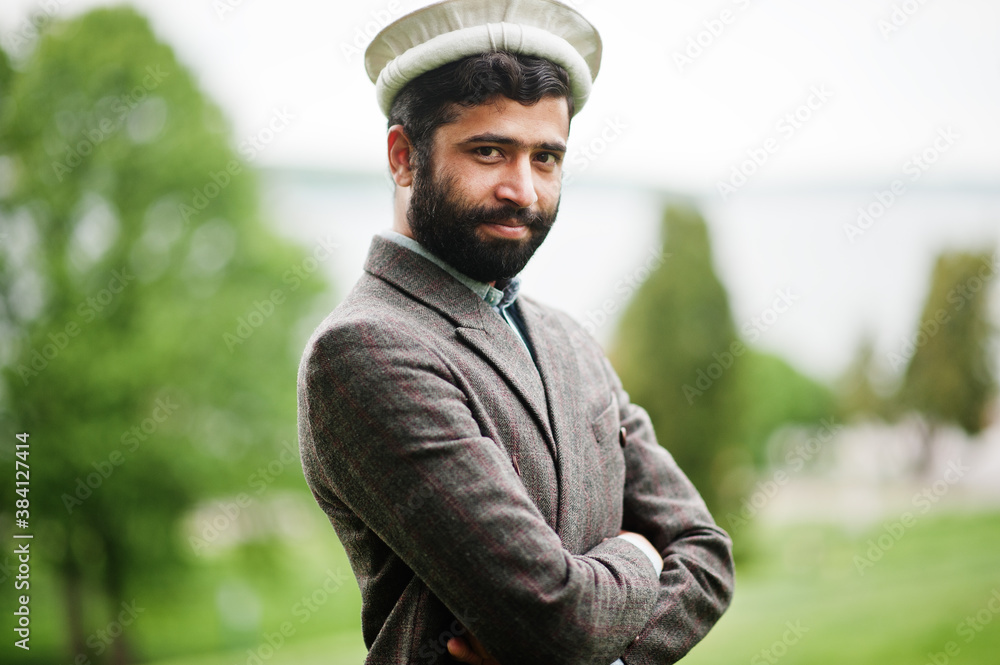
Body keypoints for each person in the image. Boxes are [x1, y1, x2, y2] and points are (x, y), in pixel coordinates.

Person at [296, 1, 734, 663]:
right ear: (403, 156)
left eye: (547, 158)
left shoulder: (568, 339)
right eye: (489, 151)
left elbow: (705, 554)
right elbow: (554, 618)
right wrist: (640, 552)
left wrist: (601, 649)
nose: (522, 189)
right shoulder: (364, 349)